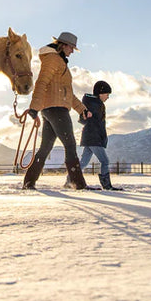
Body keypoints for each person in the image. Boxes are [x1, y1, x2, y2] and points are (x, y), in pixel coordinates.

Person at [23, 31, 92, 190]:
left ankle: (29, 182)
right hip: (56, 109)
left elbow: (68, 93)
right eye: (71, 47)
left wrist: (82, 109)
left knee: (45, 148)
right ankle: (78, 184)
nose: (73, 51)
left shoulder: (59, 61)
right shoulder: (53, 59)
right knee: (70, 144)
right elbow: (41, 82)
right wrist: (34, 107)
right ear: (63, 45)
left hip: (52, 109)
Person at [75, 80, 123, 191]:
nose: (107, 97)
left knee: (84, 162)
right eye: (107, 94)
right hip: (93, 138)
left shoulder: (96, 104)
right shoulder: (92, 104)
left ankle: (71, 180)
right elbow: (83, 117)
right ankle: (106, 185)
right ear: (100, 93)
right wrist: (85, 116)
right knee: (104, 161)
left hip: (91, 137)